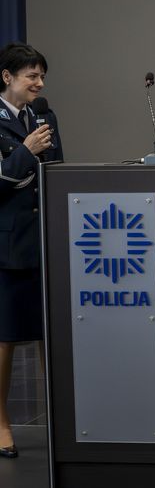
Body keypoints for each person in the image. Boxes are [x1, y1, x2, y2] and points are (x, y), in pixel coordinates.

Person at [0, 43, 62, 460]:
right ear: (7, 77)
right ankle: (1, 423)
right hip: (8, 246)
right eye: (31, 76)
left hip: (45, 242)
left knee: (50, 333)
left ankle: (61, 420)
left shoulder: (44, 116)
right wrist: (26, 151)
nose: (39, 83)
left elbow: (56, 172)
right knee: (5, 337)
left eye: (42, 76)